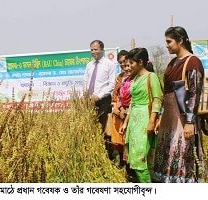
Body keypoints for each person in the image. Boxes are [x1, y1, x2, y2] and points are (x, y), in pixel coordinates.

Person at [153, 26, 206, 182]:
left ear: (180, 40)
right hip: (169, 120)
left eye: (169, 41)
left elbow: (194, 93)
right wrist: (161, 117)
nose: (167, 45)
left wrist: (190, 122)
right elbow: (165, 94)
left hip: (182, 120)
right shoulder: (172, 63)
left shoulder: (192, 62)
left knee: (183, 155)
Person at [120, 48, 163, 183]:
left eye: (131, 63)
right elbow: (132, 103)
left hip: (144, 119)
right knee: (133, 158)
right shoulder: (136, 78)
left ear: (140, 62)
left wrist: (151, 122)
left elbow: (157, 100)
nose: (129, 66)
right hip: (133, 121)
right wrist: (126, 123)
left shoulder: (151, 77)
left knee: (140, 158)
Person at [84, 40, 116, 133]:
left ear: (102, 50)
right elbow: (86, 81)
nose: (93, 52)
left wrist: (99, 96)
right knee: (89, 126)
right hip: (90, 100)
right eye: (92, 50)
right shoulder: (89, 65)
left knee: (101, 127)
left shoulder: (109, 64)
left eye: (96, 49)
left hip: (103, 99)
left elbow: (112, 84)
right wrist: (86, 95)